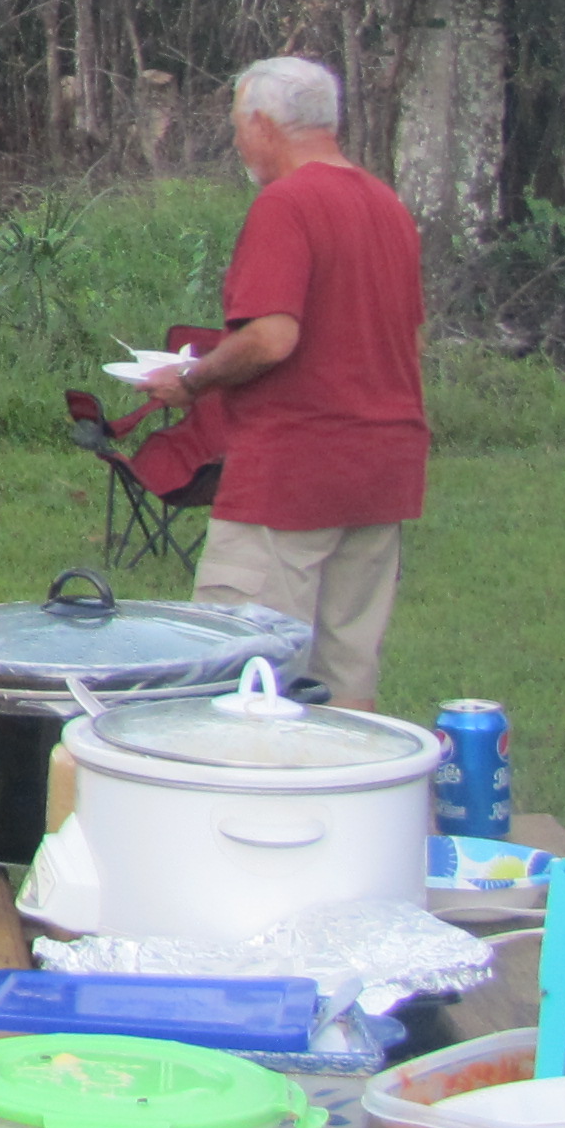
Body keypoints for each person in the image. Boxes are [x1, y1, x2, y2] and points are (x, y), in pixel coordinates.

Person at [137, 56, 429, 713]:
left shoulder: (287, 204)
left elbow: (271, 337)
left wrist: (192, 378)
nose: (239, 141)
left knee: (245, 672)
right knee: (345, 673)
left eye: (239, 126)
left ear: (263, 124)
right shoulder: (386, 206)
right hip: (383, 468)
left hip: (292, 471)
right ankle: (346, 803)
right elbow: (410, 341)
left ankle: (248, 806)